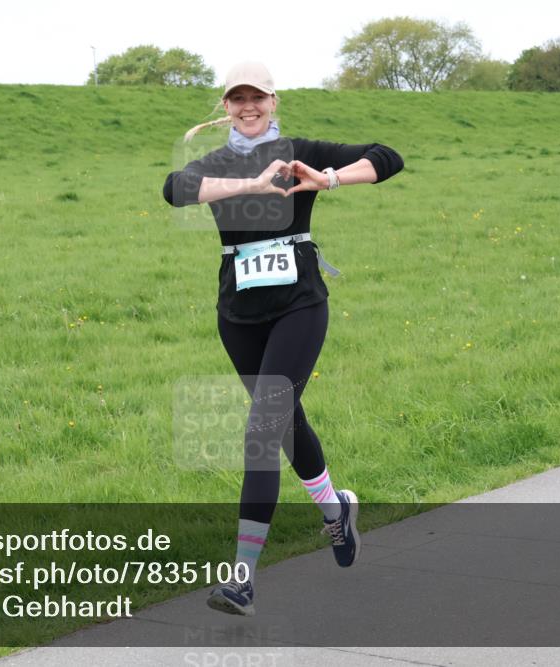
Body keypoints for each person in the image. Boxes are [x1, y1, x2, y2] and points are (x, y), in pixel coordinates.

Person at [162, 62, 404, 616]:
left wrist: (330, 178)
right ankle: (335, 509)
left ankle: (241, 580)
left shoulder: (301, 148)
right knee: (285, 422)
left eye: (257, 97)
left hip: (300, 305)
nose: (248, 107)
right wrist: (250, 183)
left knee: (262, 426)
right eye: (236, 99)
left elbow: (387, 157)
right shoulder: (217, 162)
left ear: (274, 101)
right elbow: (175, 189)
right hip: (238, 314)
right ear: (225, 106)